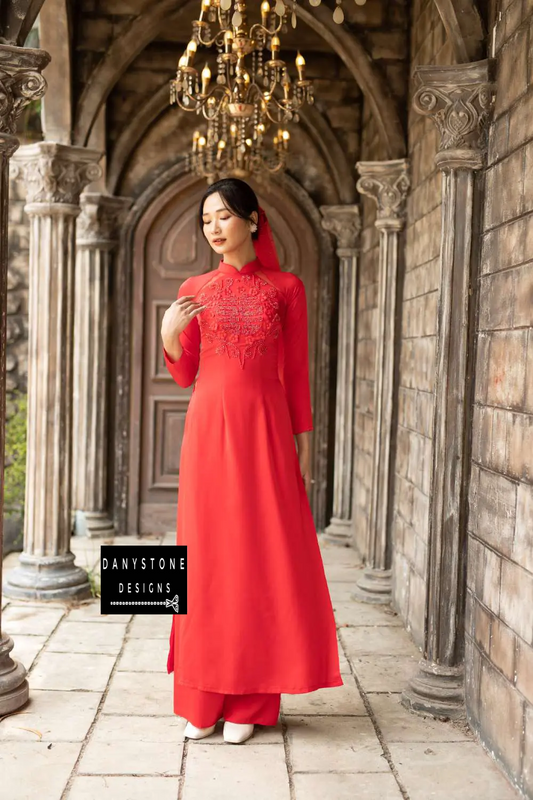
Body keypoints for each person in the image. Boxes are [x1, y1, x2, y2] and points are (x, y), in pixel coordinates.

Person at [160, 178, 343, 746]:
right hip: (208, 437)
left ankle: (252, 700)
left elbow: (298, 377)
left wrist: (303, 446)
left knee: (259, 558)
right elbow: (186, 372)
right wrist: (169, 335)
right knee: (208, 559)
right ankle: (202, 697)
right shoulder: (194, 287)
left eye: (224, 217)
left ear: (253, 221)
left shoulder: (286, 288)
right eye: (206, 219)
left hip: (265, 435)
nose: (213, 227)